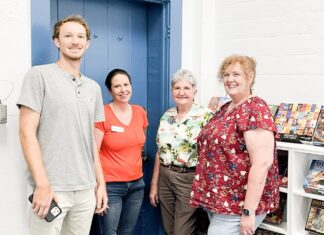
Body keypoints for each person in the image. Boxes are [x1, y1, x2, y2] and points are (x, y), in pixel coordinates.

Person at [17, 15, 108, 235]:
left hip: (86, 189)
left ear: (87, 43)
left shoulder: (93, 88)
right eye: (68, 36)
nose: (75, 41)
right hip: (52, 188)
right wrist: (42, 184)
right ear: (57, 41)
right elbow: (26, 131)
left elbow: (90, 142)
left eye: (80, 36)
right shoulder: (39, 75)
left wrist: (100, 183)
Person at [190, 55, 280, 235]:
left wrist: (248, 212)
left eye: (236, 74)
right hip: (219, 199)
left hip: (239, 202)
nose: (230, 79)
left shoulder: (255, 108)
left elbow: (262, 164)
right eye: (226, 75)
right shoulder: (225, 108)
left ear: (250, 76)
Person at [149, 69, 213, 235]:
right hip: (165, 177)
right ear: (172, 91)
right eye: (177, 88)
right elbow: (159, 152)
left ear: (194, 92)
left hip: (189, 179)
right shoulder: (167, 116)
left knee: (181, 231)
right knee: (169, 229)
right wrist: (154, 186)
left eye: (186, 88)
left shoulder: (206, 116)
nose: (181, 92)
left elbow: (212, 154)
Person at [95, 69, 148, 235]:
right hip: (110, 186)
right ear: (110, 90)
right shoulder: (102, 113)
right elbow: (93, 152)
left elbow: (139, 144)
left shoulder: (140, 112)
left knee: (127, 232)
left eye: (126, 84)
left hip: (136, 185)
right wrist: (98, 186)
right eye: (117, 86)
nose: (123, 89)